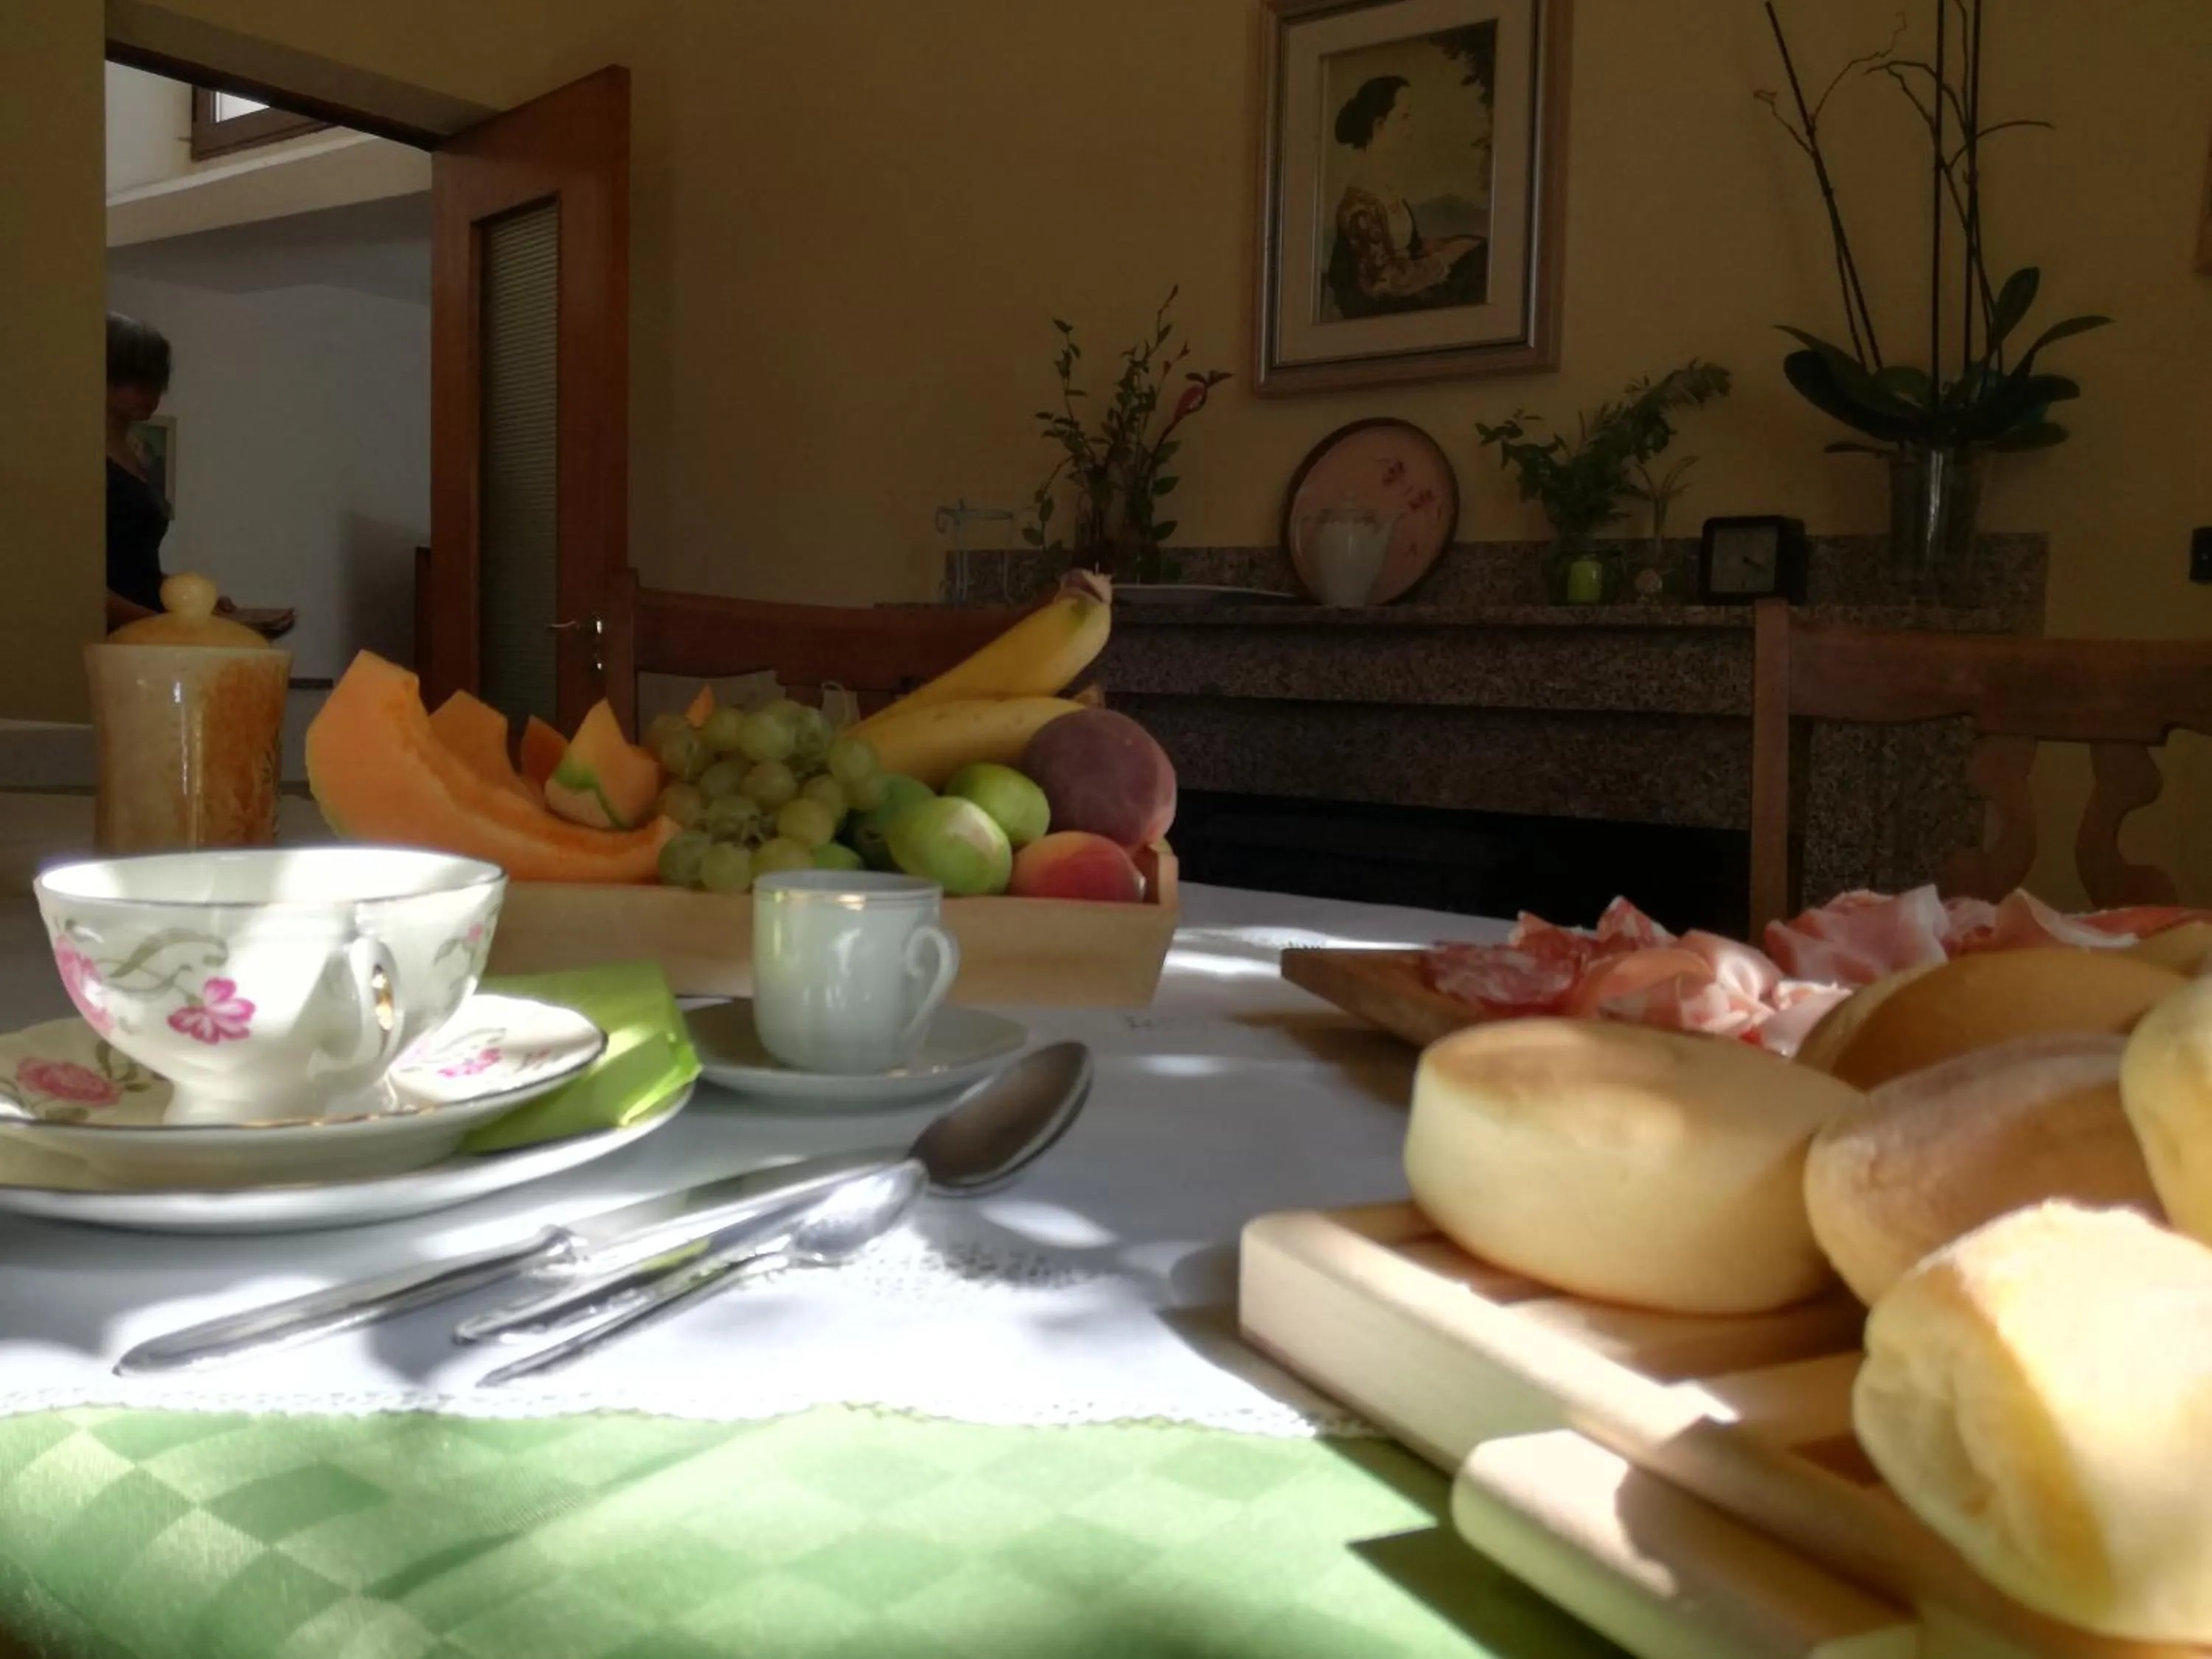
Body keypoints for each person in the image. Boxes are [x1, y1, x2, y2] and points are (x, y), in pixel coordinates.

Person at [104, 313, 293, 638]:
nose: (152, 394)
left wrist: (199, 609)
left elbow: (135, 571)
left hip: (143, 634)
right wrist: (180, 628)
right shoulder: (79, 460)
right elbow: (86, 588)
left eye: (156, 381)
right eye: (138, 381)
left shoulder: (133, 457)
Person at [1325, 75, 1488, 321]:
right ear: (1379, 125)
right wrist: (1446, 256)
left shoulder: (1385, 188)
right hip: (1382, 311)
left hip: (1408, 291)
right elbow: (1385, 281)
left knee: (1479, 254)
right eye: (1404, 117)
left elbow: (1408, 248)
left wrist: (1455, 245)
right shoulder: (1358, 207)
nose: (1411, 129)